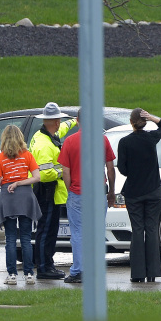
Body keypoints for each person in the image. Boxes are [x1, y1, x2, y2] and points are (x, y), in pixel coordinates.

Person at [58, 111, 116, 284]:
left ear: (77, 121)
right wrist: (111, 191)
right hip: (98, 192)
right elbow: (110, 168)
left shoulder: (69, 141)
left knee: (78, 233)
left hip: (78, 192)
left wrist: (71, 191)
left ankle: (78, 271)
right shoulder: (102, 140)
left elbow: (65, 171)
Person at [116, 109, 161, 283]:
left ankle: (137, 273)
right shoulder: (151, 138)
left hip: (134, 192)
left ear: (131, 122)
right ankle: (153, 273)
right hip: (153, 191)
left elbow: (122, 169)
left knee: (137, 230)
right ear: (144, 121)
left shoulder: (124, 142)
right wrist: (153, 117)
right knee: (152, 229)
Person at [28, 102, 77, 281]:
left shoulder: (45, 134)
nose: (60, 124)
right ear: (54, 121)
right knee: (46, 231)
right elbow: (44, 174)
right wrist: (64, 171)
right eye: (59, 120)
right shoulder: (45, 145)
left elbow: (63, 129)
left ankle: (47, 264)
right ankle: (43, 268)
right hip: (47, 191)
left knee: (49, 230)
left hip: (51, 192)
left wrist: (73, 121)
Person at [0, 125, 41, 286]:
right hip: (25, 197)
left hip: (8, 198)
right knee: (26, 238)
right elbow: (36, 177)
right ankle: (29, 274)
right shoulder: (27, 155)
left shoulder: (0, 158)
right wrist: (19, 182)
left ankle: (12, 274)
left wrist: (9, 181)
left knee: (10, 239)